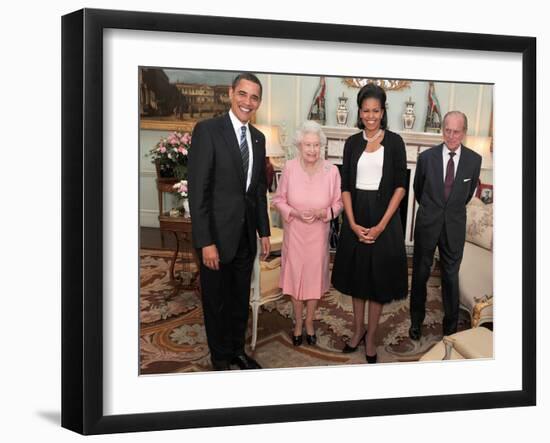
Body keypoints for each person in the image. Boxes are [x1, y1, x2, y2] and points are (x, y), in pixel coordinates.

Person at [188, 73, 271, 371]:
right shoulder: (208, 131)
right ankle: (220, 357)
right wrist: (205, 241)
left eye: (254, 97)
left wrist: (264, 231)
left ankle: (236, 350)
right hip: (216, 239)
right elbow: (198, 192)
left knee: (238, 301)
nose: (248, 102)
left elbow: (258, 191)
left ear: (259, 102)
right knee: (216, 302)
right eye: (243, 94)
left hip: (246, 237)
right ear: (230, 93)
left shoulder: (258, 139)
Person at [331, 84, 408, 363]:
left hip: (384, 219)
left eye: (376, 110)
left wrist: (381, 225)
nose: (371, 116)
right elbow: (346, 186)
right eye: (366, 110)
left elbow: (400, 187)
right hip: (357, 216)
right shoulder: (352, 143)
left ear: (383, 111)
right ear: (359, 112)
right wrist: (350, 223)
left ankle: (372, 336)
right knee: (357, 279)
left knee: (377, 282)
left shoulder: (396, 142)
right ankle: (357, 330)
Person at [409, 111, 482, 340]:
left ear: (464, 133)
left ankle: (450, 327)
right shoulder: (426, 157)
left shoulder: (474, 160)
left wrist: (448, 211)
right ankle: (416, 322)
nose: (451, 136)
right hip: (427, 224)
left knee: (451, 277)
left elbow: (468, 194)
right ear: (443, 130)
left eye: (456, 131)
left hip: (454, 226)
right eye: (447, 130)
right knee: (420, 274)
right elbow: (418, 190)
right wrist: (433, 210)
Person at [272, 121, 343, 346]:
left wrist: (325, 212)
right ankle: (298, 324)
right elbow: (278, 199)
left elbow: (339, 203)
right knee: (294, 279)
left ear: (321, 146)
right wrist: (293, 212)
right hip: (294, 234)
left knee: (314, 280)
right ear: (299, 146)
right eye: (307, 145)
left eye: (316, 145)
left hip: (318, 235)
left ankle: (310, 322)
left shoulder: (332, 171)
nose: (312, 149)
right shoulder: (290, 168)